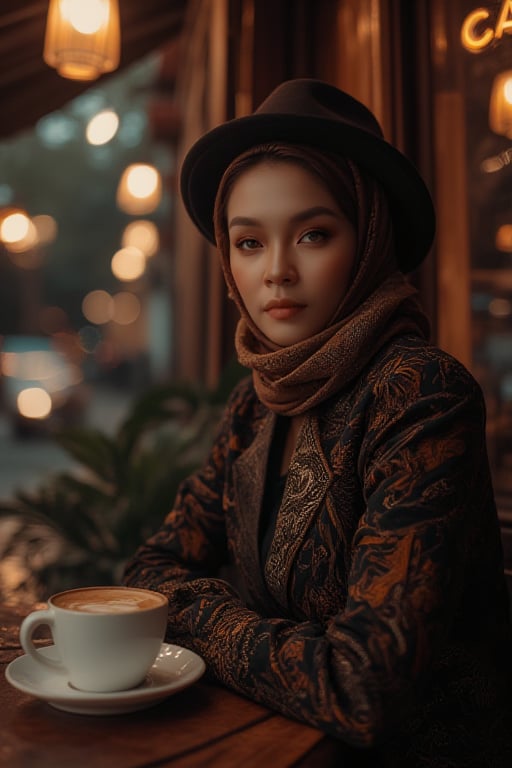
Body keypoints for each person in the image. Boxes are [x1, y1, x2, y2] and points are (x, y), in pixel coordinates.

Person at [123, 79, 512, 766]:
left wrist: (199, 614)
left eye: (314, 234)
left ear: (368, 240)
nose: (277, 271)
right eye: (248, 243)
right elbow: (150, 566)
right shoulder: (257, 402)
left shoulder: (419, 393)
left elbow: (361, 687)